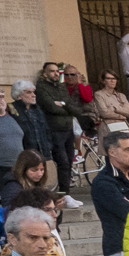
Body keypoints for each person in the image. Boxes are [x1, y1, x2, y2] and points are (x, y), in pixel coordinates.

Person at [34, 62, 78, 198]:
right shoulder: (41, 88)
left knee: (69, 161)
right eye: (52, 71)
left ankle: (66, 193)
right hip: (55, 129)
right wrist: (63, 107)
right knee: (62, 161)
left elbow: (71, 105)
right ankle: (63, 194)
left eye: (57, 71)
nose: (56, 74)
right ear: (45, 73)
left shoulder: (61, 87)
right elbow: (50, 107)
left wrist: (62, 105)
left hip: (68, 129)